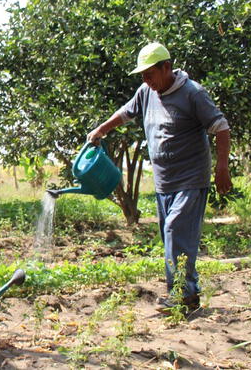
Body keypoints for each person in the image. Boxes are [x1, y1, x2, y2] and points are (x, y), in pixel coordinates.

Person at [87, 42, 232, 312]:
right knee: (173, 238)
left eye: (149, 73)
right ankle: (188, 293)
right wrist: (101, 130)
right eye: (142, 75)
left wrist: (222, 168)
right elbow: (126, 112)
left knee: (176, 231)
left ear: (166, 67)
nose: (145, 80)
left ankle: (179, 295)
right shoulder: (146, 91)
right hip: (164, 181)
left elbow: (221, 128)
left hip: (191, 177)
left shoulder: (192, 93)